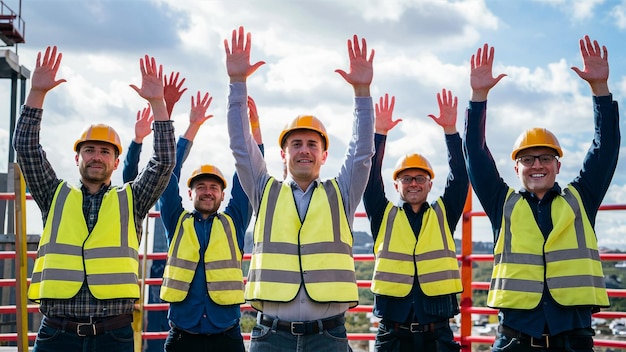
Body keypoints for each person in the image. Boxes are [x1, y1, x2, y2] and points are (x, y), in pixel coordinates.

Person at [13, 46, 176, 352]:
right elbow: (26, 148)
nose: (97, 157)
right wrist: (36, 93)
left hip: (113, 336)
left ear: (116, 162)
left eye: (105, 151)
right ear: (77, 158)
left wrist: (158, 104)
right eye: (90, 150)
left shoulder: (132, 199)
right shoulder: (54, 194)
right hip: (57, 334)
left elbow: (164, 161)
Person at [463, 35, 620, 351]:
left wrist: (600, 90)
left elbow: (606, 148)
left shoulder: (581, 199)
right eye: (528, 159)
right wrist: (478, 96)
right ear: (516, 168)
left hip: (572, 339)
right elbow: (475, 154)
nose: (537, 165)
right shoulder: (502, 203)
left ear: (558, 166)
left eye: (546, 157)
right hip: (514, 340)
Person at [225, 25, 375, 351]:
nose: (304, 149)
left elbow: (362, 153)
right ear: (284, 153)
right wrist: (238, 84)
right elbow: (240, 146)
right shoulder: (264, 189)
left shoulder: (342, 193)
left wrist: (362, 92)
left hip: (329, 337)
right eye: (296, 144)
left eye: (311, 144)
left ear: (324, 154)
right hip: (270, 337)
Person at [158, 91, 264, 352]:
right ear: (190, 193)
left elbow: (251, 173)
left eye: (213, 187)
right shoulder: (176, 221)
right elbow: (167, 171)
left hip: (226, 336)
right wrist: (191, 128)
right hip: (183, 335)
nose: (207, 191)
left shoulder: (234, 221)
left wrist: (254, 128)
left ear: (222, 194)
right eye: (201, 186)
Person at [364, 91, 467, 352]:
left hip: (437, 335)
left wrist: (450, 132)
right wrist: (380, 134)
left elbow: (460, 178)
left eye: (420, 178)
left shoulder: (445, 213)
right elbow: (370, 178)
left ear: (430, 184)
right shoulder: (383, 214)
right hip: (392, 336)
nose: (413, 183)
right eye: (406, 178)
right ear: (396, 184)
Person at [123, 71, 187, 183]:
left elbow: (164, 165)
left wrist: (164, 105)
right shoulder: (132, 196)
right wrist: (138, 140)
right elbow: (129, 179)